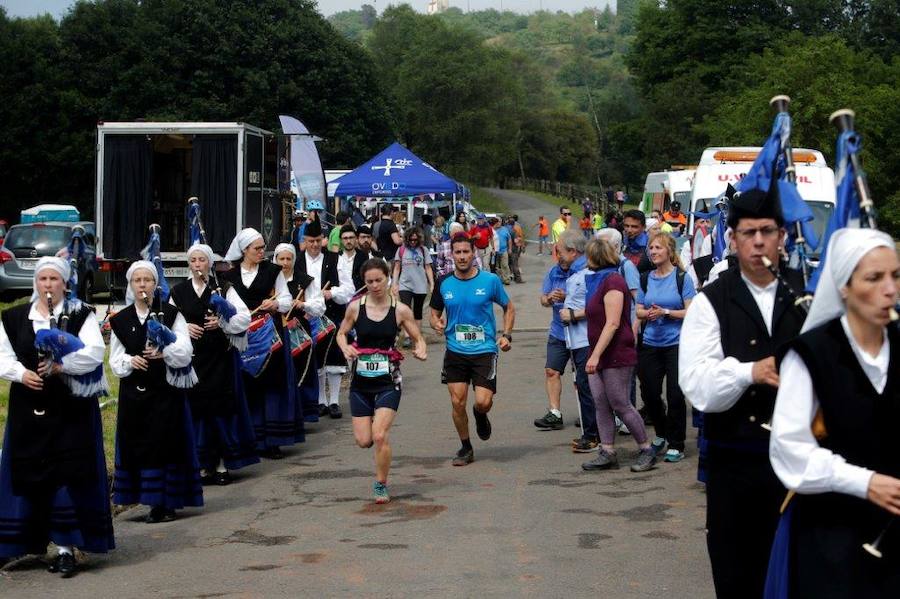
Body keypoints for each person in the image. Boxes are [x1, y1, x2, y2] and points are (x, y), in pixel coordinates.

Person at [679, 184, 806, 599]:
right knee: (739, 579)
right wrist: (751, 371)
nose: (757, 241)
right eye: (747, 232)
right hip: (737, 469)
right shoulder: (710, 303)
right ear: (731, 238)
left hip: (805, 469)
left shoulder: (810, 295)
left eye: (767, 230)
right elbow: (698, 387)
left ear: (782, 236)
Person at [769, 228, 900, 597]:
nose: (889, 289)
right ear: (844, 286)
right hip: (832, 537)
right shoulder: (812, 354)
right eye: (874, 278)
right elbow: (789, 450)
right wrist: (865, 482)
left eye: (895, 275)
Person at [0, 257, 114, 576]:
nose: (48, 285)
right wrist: (22, 374)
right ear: (35, 282)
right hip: (28, 404)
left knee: (65, 474)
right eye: (43, 279)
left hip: (69, 407)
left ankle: (65, 548)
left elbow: (93, 353)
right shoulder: (13, 317)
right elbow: (2, 354)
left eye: (54, 279)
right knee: (25, 472)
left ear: (65, 283)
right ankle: (16, 543)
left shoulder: (79, 314)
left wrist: (61, 366)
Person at [110, 260, 202, 524]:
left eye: (147, 280)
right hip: (134, 394)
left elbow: (185, 352)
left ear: (155, 284)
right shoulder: (121, 319)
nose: (142, 285)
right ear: (131, 285)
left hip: (165, 392)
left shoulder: (171, 314)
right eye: (137, 280)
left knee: (165, 445)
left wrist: (165, 352)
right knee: (140, 445)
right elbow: (115, 359)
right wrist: (130, 361)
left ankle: (165, 503)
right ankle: (146, 498)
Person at [337, 259, 427, 504]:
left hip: (388, 381)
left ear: (388, 278)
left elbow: (418, 338)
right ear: (364, 283)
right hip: (361, 383)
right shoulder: (355, 307)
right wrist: (345, 348)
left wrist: (421, 349)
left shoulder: (400, 310)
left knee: (379, 436)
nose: (375, 286)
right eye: (369, 282)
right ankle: (374, 426)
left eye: (379, 280)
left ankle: (380, 484)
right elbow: (341, 333)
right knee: (364, 440)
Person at [169, 244, 259, 486]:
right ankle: (201, 466)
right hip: (193, 360)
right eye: (193, 260)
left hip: (219, 358)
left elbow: (244, 317)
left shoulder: (222, 289)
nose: (197, 264)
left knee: (219, 410)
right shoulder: (178, 291)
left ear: (209, 263)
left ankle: (221, 465)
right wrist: (184, 328)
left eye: (202, 260)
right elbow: (168, 321)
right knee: (197, 411)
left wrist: (222, 321)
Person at [430, 234, 515, 466]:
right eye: (457, 252)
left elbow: (508, 307)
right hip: (455, 350)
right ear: (452, 255)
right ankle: (466, 447)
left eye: (466, 252)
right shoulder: (443, 283)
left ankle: (480, 414)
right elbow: (434, 313)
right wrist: (436, 323)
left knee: (483, 402)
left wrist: (506, 335)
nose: (462, 256)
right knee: (457, 402)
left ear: (473, 253)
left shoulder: (490, 280)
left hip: (484, 350)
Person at [574, 239, 655, 472]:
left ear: (595, 257)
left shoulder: (613, 281)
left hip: (616, 352)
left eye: (587, 256)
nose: (584, 260)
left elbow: (612, 323)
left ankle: (646, 448)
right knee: (600, 403)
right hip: (598, 351)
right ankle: (607, 451)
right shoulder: (596, 280)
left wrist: (595, 355)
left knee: (620, 403)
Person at [221, 228, 299, 458]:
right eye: (257, 248)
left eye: (263, 247)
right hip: (243, 335)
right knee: (247, 383)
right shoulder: (229, 277)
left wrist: (274, 305)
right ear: (244, 250)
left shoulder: (272, 270)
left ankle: (272, 439)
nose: (262, 252)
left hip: (269, 334)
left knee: (270, 381)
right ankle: (251, 437)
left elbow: (285, 298)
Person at [534, 230, 599, 452]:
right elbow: (543, 298)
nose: (556, 255)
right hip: (559, 332)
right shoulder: (555, 272)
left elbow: (596, 305)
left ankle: (592, 426)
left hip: (582, 335)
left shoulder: (586, 272)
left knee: (584, 382)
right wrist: (549, 298)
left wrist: (570, 304)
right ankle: (555, 413)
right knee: (553, 371)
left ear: (572, 252)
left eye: (559, 251)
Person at [636, 232, 696, 462]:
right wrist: (648, 313)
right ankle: (661, 433)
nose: (653, 252)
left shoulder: (682, 278)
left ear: (669, 251)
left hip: (676, 344)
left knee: (675, 396)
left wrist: (667, 312)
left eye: (658, 248)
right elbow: (638, 310)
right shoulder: (645, 278)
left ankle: (676, 443)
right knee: (650, 394)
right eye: (650, 248)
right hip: (651, 343)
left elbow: (691, 312)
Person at [294, 214, 355, 418]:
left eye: (318, 241)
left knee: (334, 357)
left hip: (332, 314)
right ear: (305, 241)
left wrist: (332, 293)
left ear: (324, 240)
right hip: (306, 315)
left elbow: (349, 288)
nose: (314, 245)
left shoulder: (334, 259)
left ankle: (335, 401)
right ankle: (320, 400)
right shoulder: (297, 261)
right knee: (316, 358)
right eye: (311, 241)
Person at [274, 242, 323, 423]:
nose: (285, 263)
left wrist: (303, 304)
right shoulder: (270, 280)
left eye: (289, 258)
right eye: (282, 259)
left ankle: (303, 412)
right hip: (277, 333)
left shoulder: (305, 280)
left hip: (300, 331)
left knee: (302, 371)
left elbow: (319, 306)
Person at [391, 226, 434, 346]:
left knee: (418, 311)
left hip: (420, 285)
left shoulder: (423, 250)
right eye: (411, 240)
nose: (413, 242)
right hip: (405, 285)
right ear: (407, 239)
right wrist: (395, 283)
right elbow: (397, 268)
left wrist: (432, 284)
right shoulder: (401, 250)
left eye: (415, 240)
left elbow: (428, 268)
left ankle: (417, 335)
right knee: (406, 310)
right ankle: (406, 336)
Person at [491, 217, 512, 285]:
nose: (498, 223)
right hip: (495, 251)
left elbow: (509, 239)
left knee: (505, 265)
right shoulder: (491, 229)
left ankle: (506, 279)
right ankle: (499, 280)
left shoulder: (505, 229)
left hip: (504, 250)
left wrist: (510, 248)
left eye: (499, 221)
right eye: (497, 221)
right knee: (496, 266)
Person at [508, 215, 525, 284]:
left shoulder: (505, 229)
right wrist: (522, 245)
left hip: (506, 249)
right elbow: (519, 238)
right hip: (514, 248)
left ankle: (511, 276)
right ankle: (518, 278)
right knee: (515, 263)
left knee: (510, 263)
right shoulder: (516, 228)